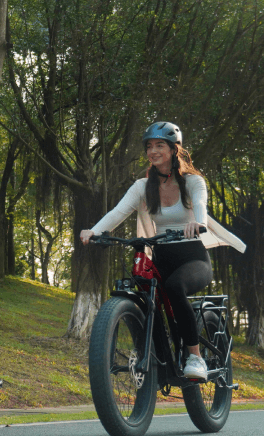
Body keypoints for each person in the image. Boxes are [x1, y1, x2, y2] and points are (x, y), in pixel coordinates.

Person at [80, 121, 246, 380]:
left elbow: (201, 206)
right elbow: (118, 212)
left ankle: (195, 357)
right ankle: (157, 354)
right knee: (147, 293)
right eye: (149, 146)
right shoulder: (142, 187)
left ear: (173, 149)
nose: (153, 151)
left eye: (159, 145)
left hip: (193, 258)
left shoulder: (193, 182)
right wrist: (94, 231)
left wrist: (198, 224)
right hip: (161, 257)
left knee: (175, 286)